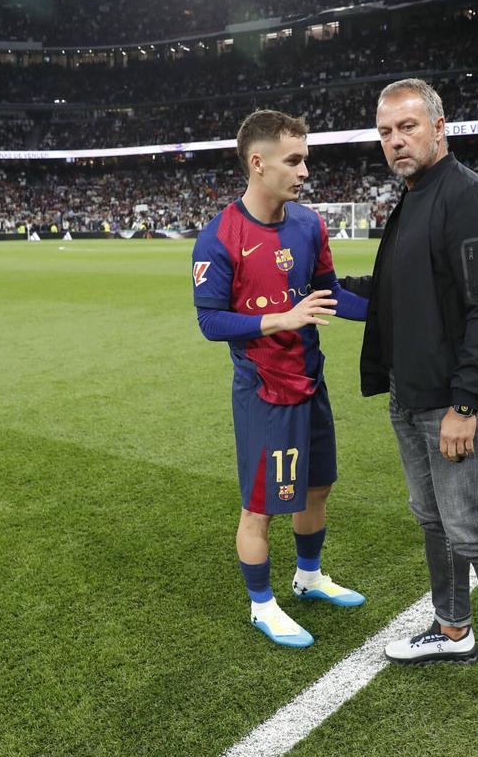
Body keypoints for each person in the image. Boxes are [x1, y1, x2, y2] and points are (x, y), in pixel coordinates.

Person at [348, 78, 478, 740]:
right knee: (433, 520)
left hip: (451, 404)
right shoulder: (410, 199)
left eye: (407, 127)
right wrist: (321, 286)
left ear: (440, 128)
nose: (395, 141)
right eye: (386, 132)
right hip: (409, 399)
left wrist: (465, 405)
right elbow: (390, 295)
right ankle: (452, 629)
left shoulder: (469, 198)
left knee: (470, 529)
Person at [191, 109, 368, 650]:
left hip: (310, 379)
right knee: (262, 505)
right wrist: (279, 319)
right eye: (294, 160)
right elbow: (210, 320)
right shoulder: (220, 236)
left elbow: (327, 292)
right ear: (258, 162)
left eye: (305, 159)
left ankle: (309, 577)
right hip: (264, 391)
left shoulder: (310, 224)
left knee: (319, 486)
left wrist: (393, 312)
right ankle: (262, 605)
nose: (305, 171)